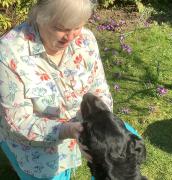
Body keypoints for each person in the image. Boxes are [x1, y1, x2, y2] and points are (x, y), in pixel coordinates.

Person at [0, 0, 113, 179]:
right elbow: (18, 122)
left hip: (82, 128)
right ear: (39, 16)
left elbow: (99, 88)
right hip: (35, 150)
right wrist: (68, 130)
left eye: (76, 27)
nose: (70, 37)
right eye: (61, 28)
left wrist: (100, 123)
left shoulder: (86, 39)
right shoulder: (8, 53)